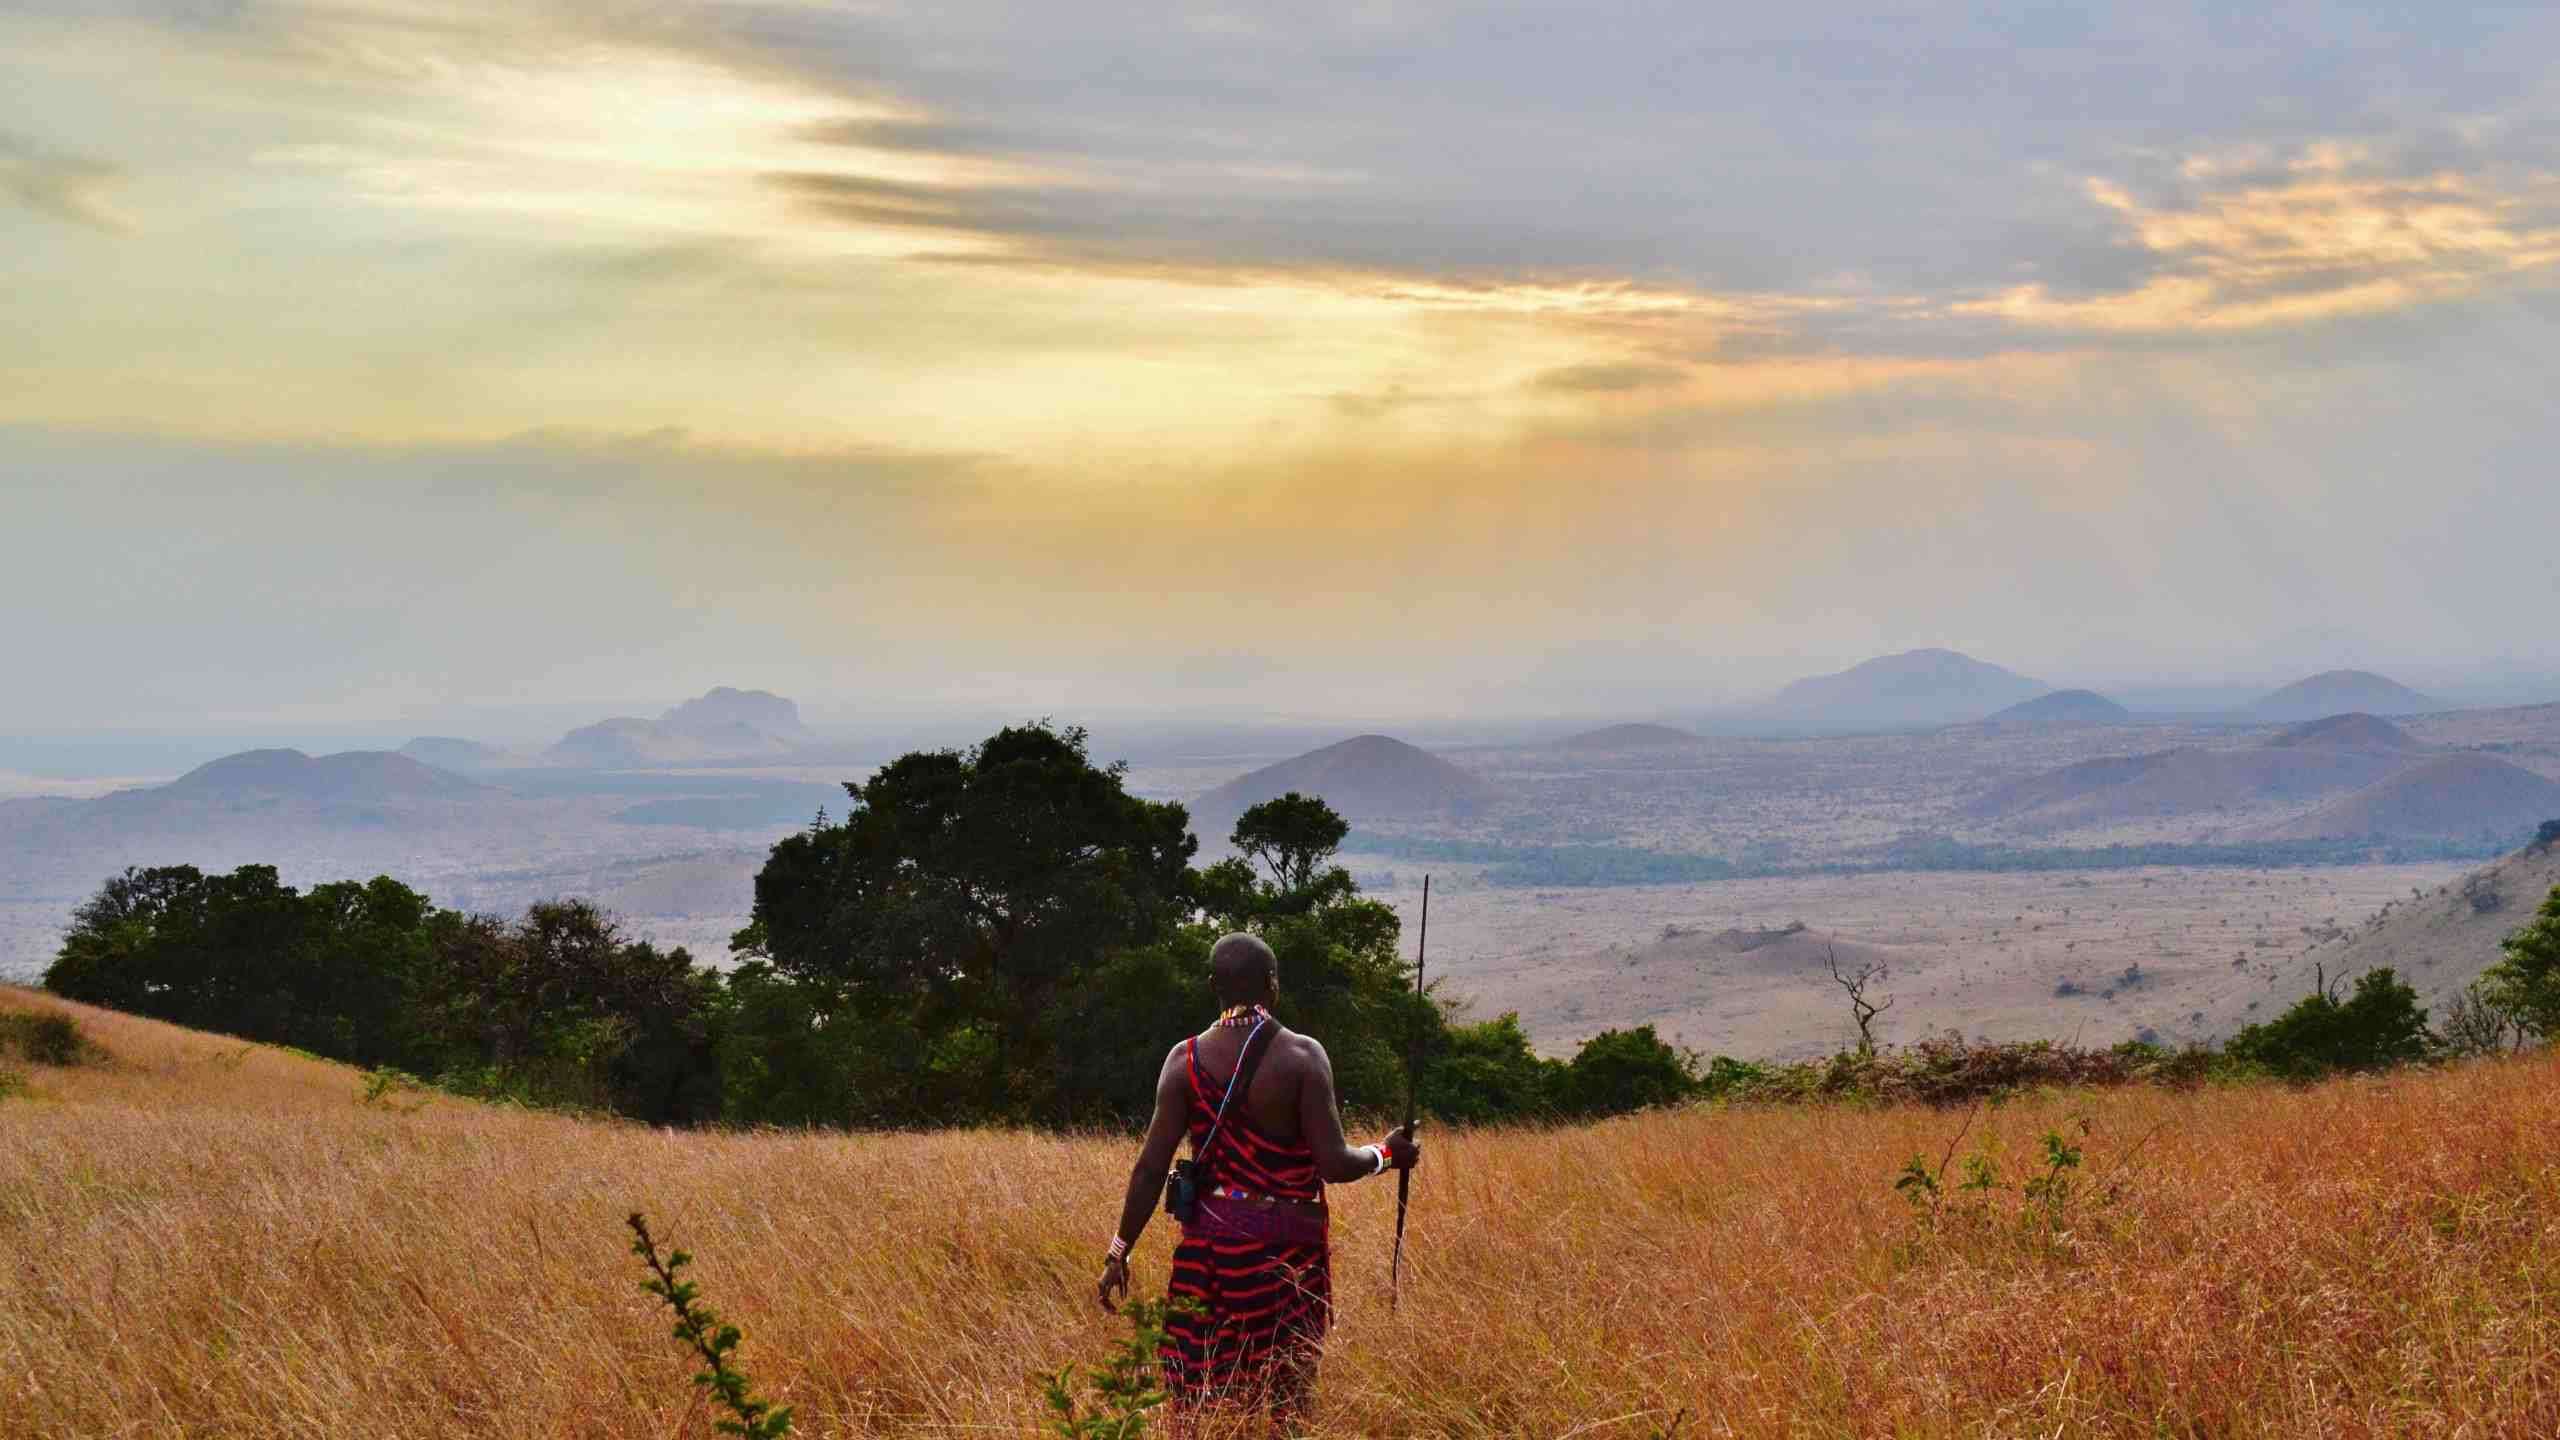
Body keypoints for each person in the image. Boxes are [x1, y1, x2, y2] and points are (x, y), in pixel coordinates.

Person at [1096, 931, 1420, 1435]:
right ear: (1272, 984)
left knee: (1197, 1398)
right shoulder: (1302, 1056)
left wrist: (1119, 1252)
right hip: (1286, 1263)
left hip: (1207, 1257)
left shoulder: (1183, 1061)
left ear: (1213, 986)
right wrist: (1386, 1154)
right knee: (1287, 1397)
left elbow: (1150, 1170)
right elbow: (1335, 1164)